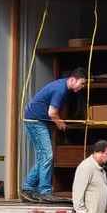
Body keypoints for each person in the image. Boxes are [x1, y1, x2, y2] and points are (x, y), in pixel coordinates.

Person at [21, 68, 87, 202]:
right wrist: (59, 123)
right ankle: (45, 192)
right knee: (47, 155)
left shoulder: (62, 86)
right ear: (73, 80)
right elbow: (52, 113)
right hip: (35, 121)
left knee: (43, 157)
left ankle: (27, 188)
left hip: (36, 120)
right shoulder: (61, 90)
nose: (82, 87)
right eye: (82, 83)